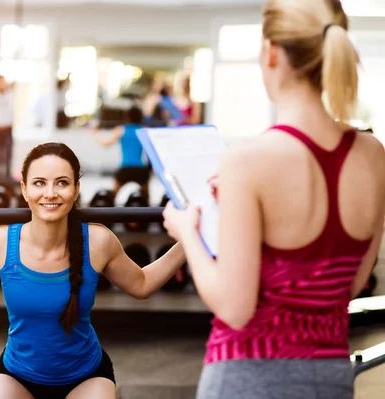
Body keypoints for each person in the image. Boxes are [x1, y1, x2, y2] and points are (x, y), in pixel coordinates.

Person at [162, 1, 385, 398]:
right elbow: (347, 286)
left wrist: (187, 232)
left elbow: (234, 308)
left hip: (247, 377)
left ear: (271, 54)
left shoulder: (248, 160)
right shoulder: (372, 155)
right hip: (331, 377)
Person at [0, 142, 187, 399]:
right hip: (18, 375)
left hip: (86, 377)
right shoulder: (0, 239)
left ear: (76, 190)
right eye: (39, 183)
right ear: (24, 189)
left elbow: (143, 284)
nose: (50, 193)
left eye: (61, 183)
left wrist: (190, 240)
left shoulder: (97, 241)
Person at [91, 106, 151, 197]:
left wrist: (95, 133)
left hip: (125, 168)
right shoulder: (144, 130)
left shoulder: (121, 130)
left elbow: (105, 144)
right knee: (146, 198)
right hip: (140, 169)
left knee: (112, 196)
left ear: (128, 117)